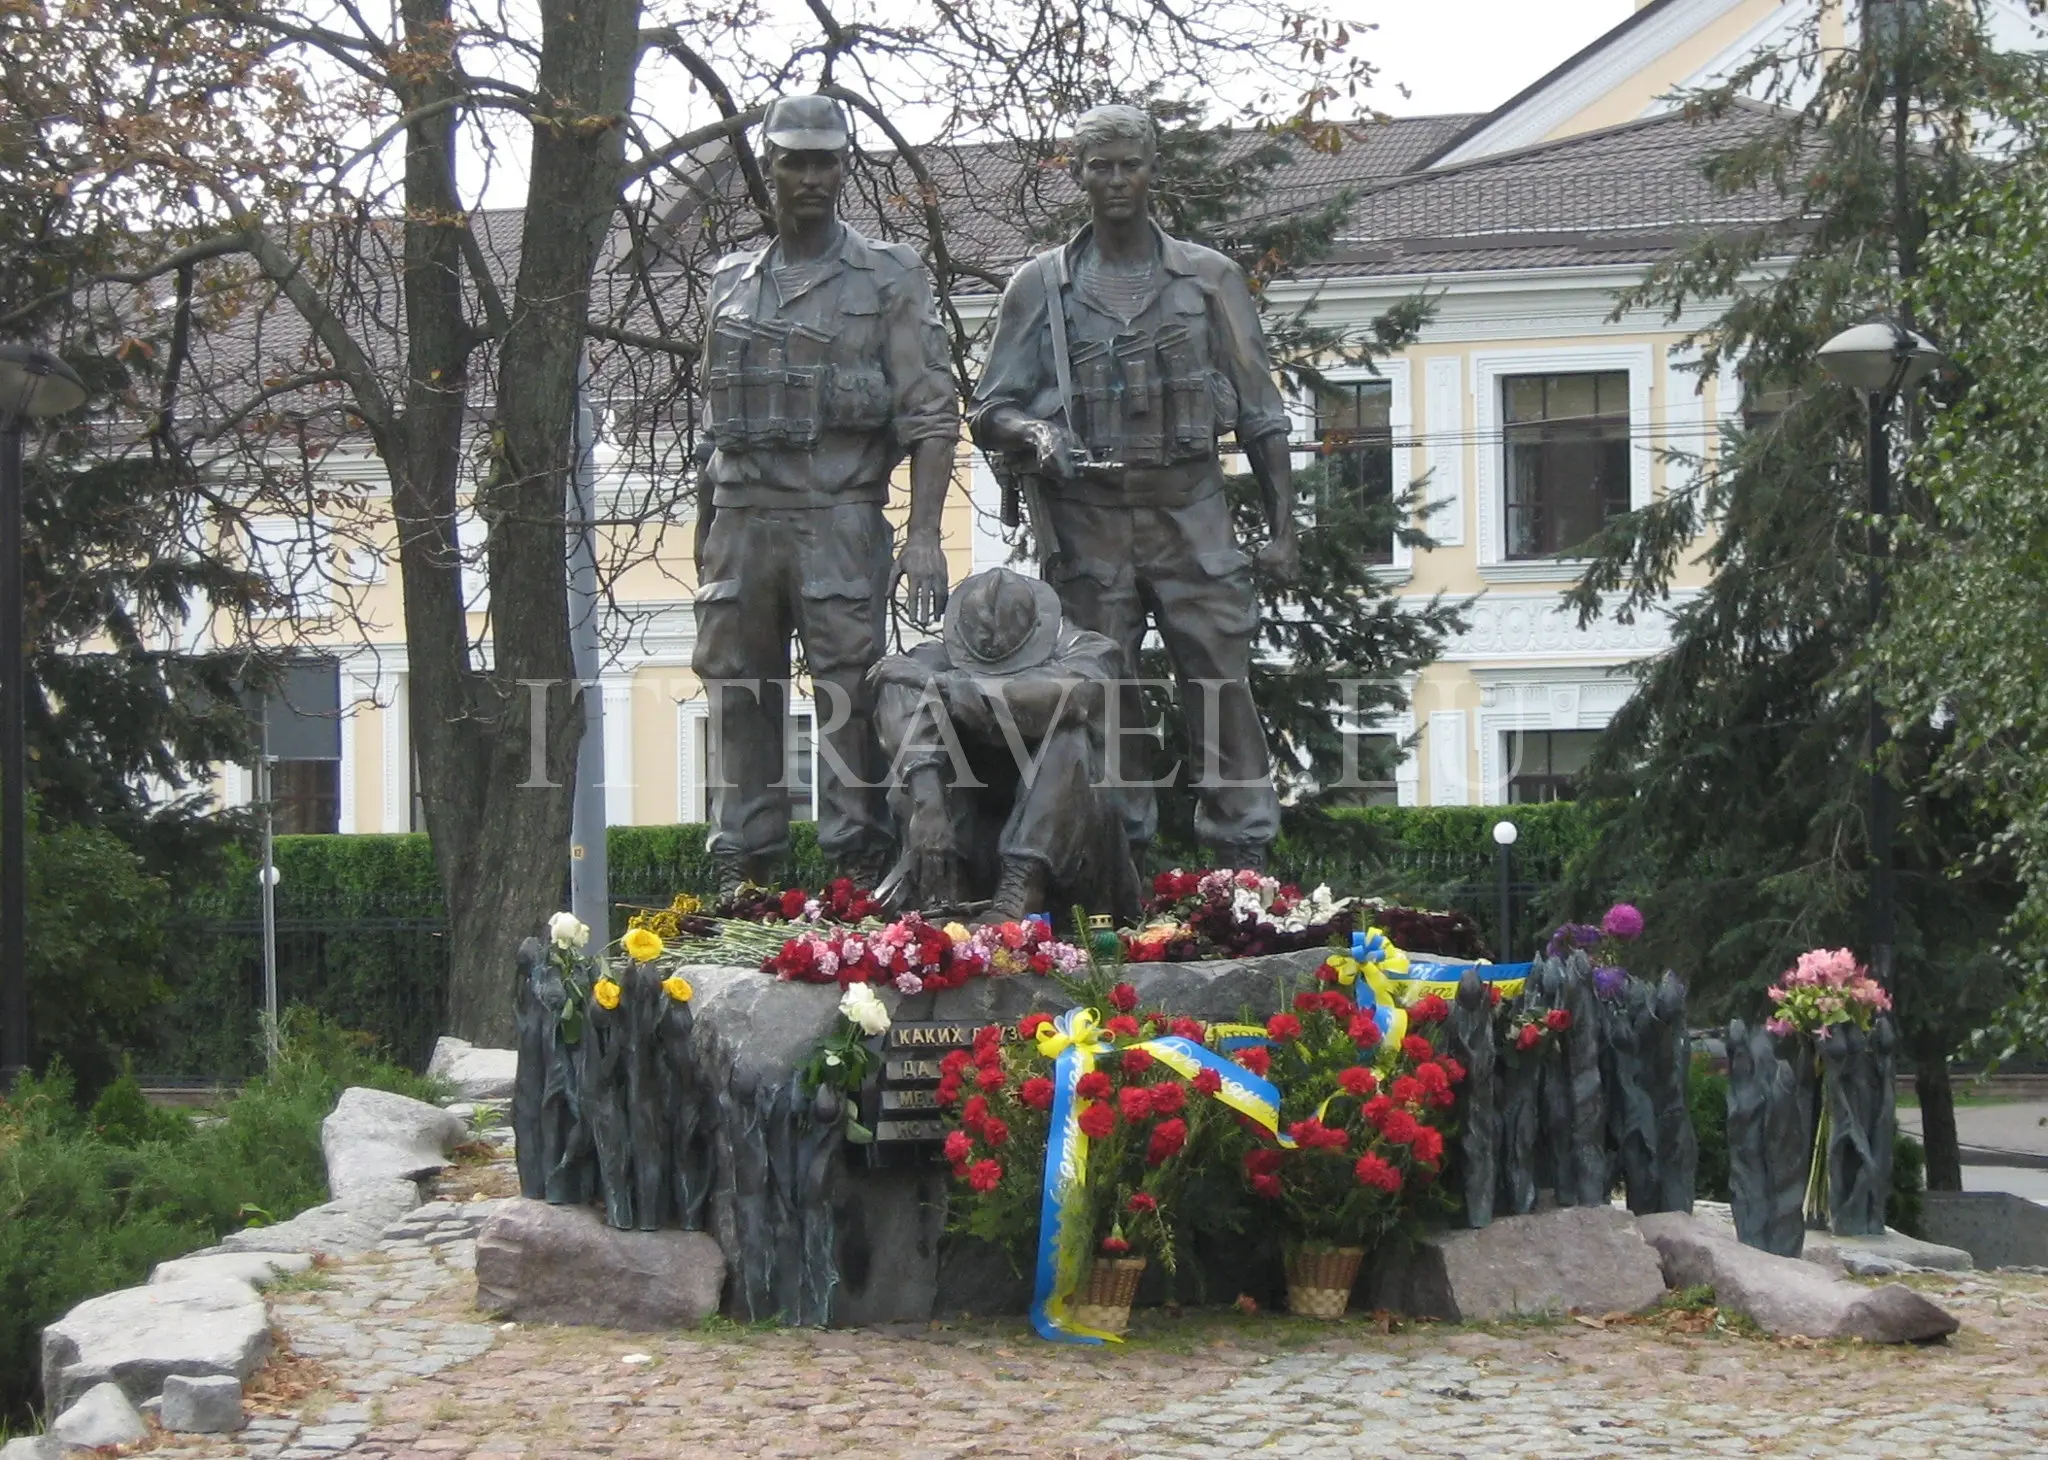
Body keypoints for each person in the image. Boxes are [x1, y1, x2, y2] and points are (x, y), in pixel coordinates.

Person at [969, 103, 1295, 871]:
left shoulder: (1209, 278)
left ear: (1154, 170)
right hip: (1089, 527)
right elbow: (991, 409)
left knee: (1221, 689)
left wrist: (1285, 527)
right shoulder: (1039, 286)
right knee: (1102, 701)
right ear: (1078, 175)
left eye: (1129, 164)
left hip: (1193, 515)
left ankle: (1242, 874)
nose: (1116, 180)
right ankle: (1121, 869)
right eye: (1100, 167)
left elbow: (1260, 411)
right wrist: (1036, 433)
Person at [691, 94, 958, 894]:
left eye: (825, 160)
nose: (810, 176)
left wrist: (923, 536)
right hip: (740, 519)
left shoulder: (889, 276)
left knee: (847, 690)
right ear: (767, 168)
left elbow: (931, 416)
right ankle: (746, 862)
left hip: (838, 515)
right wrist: (707, 537)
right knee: (739, 690)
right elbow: (714, 429)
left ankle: (855, 864)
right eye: (794, 160)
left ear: (845, 168)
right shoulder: (728, 283)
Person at [869, 567, 1140, 922]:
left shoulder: (1088, 651)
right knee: (917, 749)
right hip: (963, 840)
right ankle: (944, 890)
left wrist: (947, 686)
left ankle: (1021, 886)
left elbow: (1070, 696)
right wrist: (928, 803)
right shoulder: (932, 659)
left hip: (1066, 857)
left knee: (1067, 737)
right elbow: (899, 690)